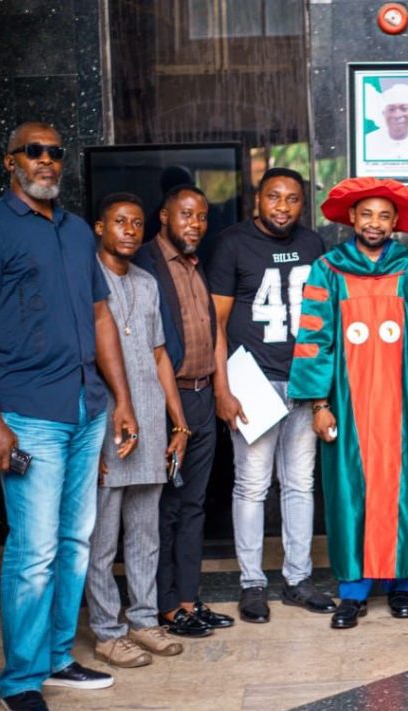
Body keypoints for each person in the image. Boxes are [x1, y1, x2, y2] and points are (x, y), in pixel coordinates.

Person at [0, 122, 138, 711]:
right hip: (28, 414)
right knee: (33, 551)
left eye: (55, 152)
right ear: (10, 161)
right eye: (34, 151)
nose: (47, 161)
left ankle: (58, 656)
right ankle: (21, 677)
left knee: (74, 542)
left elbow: (101, 317)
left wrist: (121, 400)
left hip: (86, 408)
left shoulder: (78, 230)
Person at [288, 177, 408, 629]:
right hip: (347, 404)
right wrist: (319, 404)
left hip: (405, 403)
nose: (375, 223)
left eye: (384, 215)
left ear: (396, 221)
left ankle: (400, 587)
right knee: (348, 493)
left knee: (406, 494)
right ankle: (353, 593)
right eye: (366, 214)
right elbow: (315, 340)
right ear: (352, 218)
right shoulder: (328, 270)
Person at [209, 167, 335, 623]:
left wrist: (322, 391)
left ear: (304, 203)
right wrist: (222, 386)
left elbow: (326, 315)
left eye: (293, 199)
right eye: (274, 197)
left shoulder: (314, 244)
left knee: (300, 484)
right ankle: (252, 584)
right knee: (252, 485)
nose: (283, 207)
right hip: (252, 382)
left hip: (303, 381)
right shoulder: (232, 243)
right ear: (257, 200)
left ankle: (298, 579)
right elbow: (216, 323)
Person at [84, 193, 188, 668]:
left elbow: (159, 353)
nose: (129, 230)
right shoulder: (85, 278)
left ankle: (144, 621)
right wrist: (91, 436)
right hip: (106, 425)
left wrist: (178, 421)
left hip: (149, 422)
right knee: (102, 539)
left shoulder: (147, 282)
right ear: (99, 228)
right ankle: (108, 632)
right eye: (119, 222)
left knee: (145, 534)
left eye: (137, 223)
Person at [133, 184, 235, 637]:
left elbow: (212, 331)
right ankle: (165, 605)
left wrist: (218, 390)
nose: (195, 224)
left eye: (202, 216)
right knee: (166, 508)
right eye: (186, 214)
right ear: (164, 216)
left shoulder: (196, 264)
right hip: (163, 401)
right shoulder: (144, 263)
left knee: (194, 504)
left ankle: (190, 599)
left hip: (201, 395)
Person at [363, 83, 408, 161]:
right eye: (391, 109)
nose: (397, 115)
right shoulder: (367, 142)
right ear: (383, 114)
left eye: (404, 108)